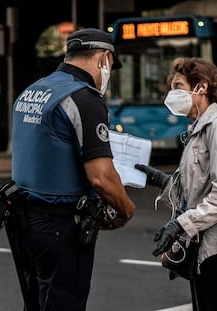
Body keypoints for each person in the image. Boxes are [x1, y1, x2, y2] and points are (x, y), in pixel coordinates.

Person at [11, 28, 136, 310]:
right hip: (61, 227)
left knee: (39, 303)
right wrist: (126, 209)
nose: (109, 75)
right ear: (104, 58)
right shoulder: (84, 99)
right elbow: (102, 178)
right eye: (111, 67)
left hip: (25, 223)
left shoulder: (34, 91)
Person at [137, 57, 217, 310]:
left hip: (216, 252)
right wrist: (161, 180)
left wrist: (180, 224)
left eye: (178, 86)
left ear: (201, 87)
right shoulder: (199, 129)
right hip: (201, 249)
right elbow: (197, 189)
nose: (172, 94)